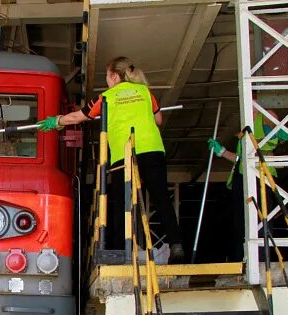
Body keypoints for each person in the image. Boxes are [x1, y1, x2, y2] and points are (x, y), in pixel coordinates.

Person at [37, 56, 184, 263]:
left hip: (125, 155)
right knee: (161, 200)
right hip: (153, 150)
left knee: (122, 203)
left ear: (114, 76)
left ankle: (121, 251)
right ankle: (176, 245)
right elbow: (158, 119)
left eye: (107, 76)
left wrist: (56, 121)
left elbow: (79, 117)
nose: (106, 80)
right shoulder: (144, 91)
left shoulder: (106, 97)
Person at [208, 112, 286, 262]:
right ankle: (244, 259)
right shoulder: (244, 123)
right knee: (242, 223)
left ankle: (262, 260)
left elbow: (272, 142)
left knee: (261, 219)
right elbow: (241, 158)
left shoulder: (265, 116)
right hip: (242, 177)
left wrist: (275, 130)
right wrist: (222, 152)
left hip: (261, 176)